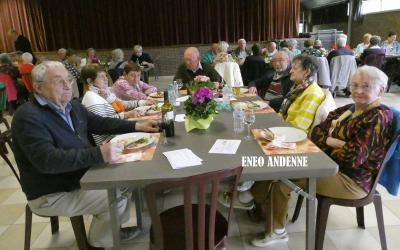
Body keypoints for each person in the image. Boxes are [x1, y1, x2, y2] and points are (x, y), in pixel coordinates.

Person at [11, 61, 159, 249]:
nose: (67, 86)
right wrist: (98, 153)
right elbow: (48, 161)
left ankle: (110, 229)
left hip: (79, 176)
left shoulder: (72, 106)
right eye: (58, 81)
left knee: (126, 180)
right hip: (52, 192)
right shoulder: (28, 117)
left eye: (69, 80)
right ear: (38, 87)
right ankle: (98, 244)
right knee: (117, 193)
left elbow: (102, 123)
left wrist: (137, 125)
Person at [250, 66, 393, 247]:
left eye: (366, 86)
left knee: (282, 180)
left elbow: (352, 158)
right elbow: (316, 132)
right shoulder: (349, 109)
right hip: (328, 163)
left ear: (380, 90)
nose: (358, 91)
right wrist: (338, 143)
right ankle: (258, 203)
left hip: (351, 180)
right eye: (355, 85)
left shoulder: (379, 116)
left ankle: (277, 231)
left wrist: (330, 141)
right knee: (278, 163)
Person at [81, 64, 153, 145]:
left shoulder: (103, 92)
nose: (106, 79)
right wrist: (126, 115)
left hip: (116, 133)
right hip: (109, 141)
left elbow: (121, 104)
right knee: (150, 134)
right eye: (101, 77)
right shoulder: (91, 98)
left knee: (150, 126)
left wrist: (142, 102)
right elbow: (103, 124)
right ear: (90, 81)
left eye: (106, 76)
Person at [279, 55, 325, 133]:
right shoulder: (299, 88)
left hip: (292, 135)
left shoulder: (313, 94)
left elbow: (299, 127)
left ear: (307, 72)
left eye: (295, 68)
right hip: (285, 128)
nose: (290, 71)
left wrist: (275, 125)